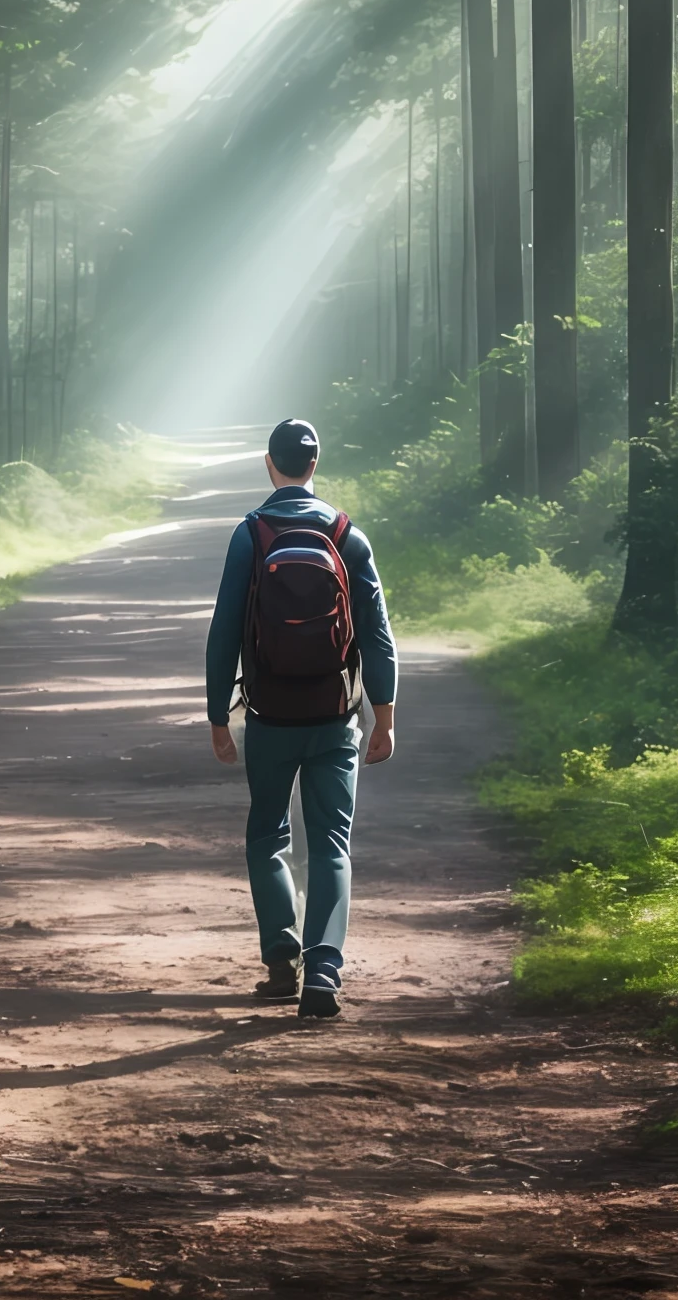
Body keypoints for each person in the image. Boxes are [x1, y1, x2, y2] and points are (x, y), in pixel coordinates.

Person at [204, 418, 397, 1020]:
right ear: (314, 465)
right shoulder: (347, 536)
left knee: (268, 834)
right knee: (332, 845)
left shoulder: (250, 535)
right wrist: (384, 715)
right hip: (336, 716)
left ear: (270, 464)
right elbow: (378, 636)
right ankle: (325, 973)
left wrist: (218, 715)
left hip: (268, 715)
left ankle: (281, 958)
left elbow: (225, 633)